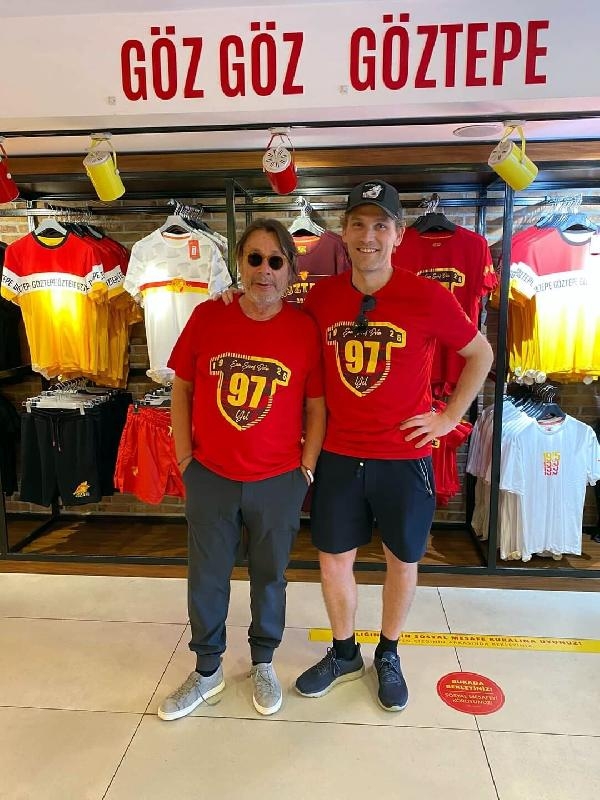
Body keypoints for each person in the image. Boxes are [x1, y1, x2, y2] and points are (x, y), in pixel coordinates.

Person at [295, 180, 494, 711]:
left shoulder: (428, 295)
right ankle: (343, 653)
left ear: (399, 234)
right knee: (333, 560)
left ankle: (388, 652)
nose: (369, 236)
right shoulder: (321, 298)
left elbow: (481, 353)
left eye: (380, 225)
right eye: (358, 224)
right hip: (339, 453)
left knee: (401, 560)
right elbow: (280, 330)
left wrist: (448, 417)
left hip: (404, 457)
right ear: (343, 233)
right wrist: (232, 299)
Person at [158, 219, 326, 720]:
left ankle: (263, 662)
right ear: (239, 264)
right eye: (254, 258)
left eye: (275, 261)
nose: (264, 270)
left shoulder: (303, 328)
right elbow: (182, 388)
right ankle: (207, 671)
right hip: (211, 475)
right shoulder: (209, 316)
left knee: (270, 577)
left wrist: (306, 469)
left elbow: (316, 405)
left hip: (279, 480)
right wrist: (185, 459)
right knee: (206, 577)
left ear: (290, 271)